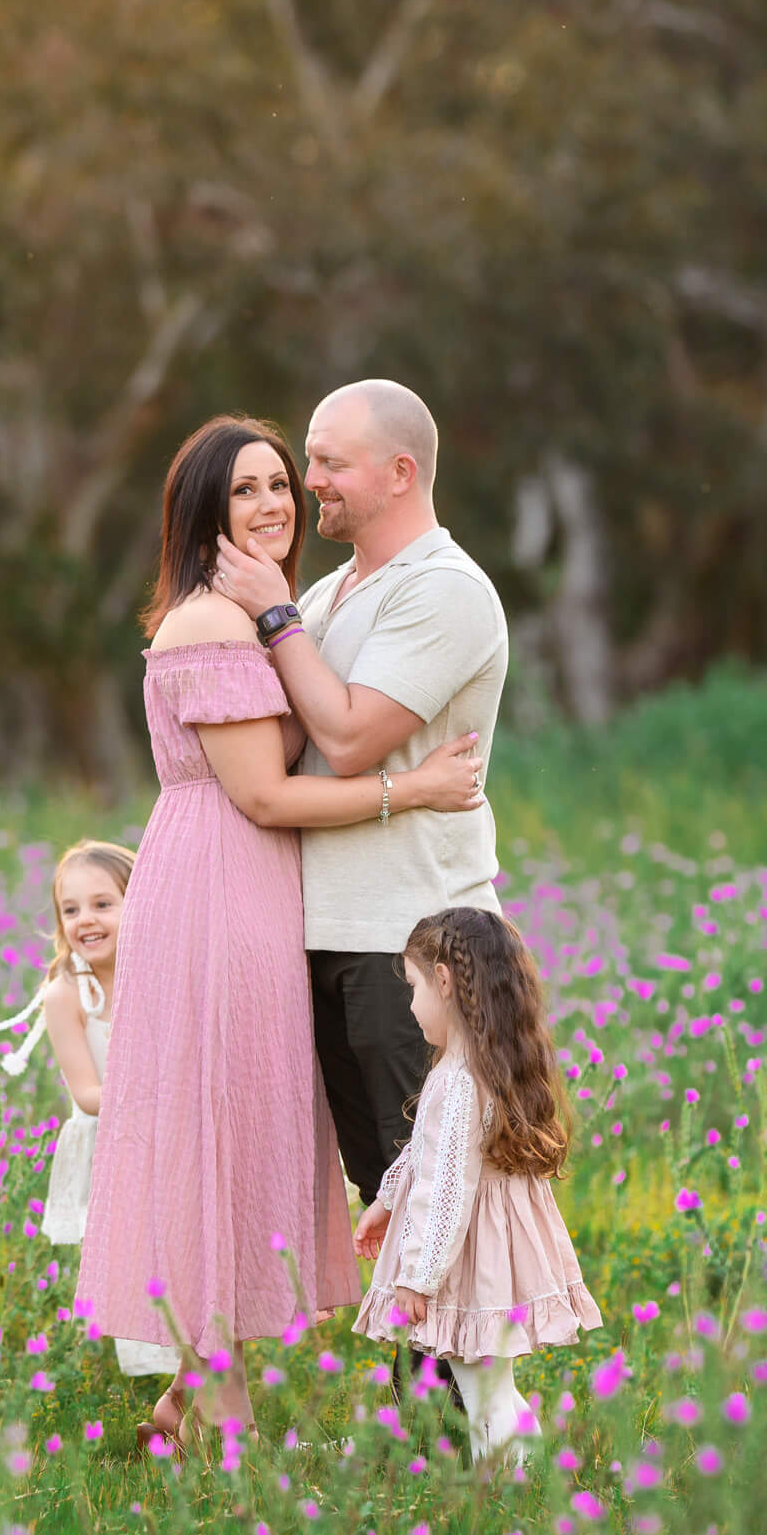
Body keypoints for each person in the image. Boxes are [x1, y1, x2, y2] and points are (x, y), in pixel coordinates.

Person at [76, 414, 489, 1448]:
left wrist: (285, 625)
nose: (275, 503)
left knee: (245, 1135)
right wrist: (416, 789)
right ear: (201, 515)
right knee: (219, 1143)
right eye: (246, 490)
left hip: (261, 895)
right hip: (223, 886)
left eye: (281, 484)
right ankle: (225, 1440)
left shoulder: (274, 611)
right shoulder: (217, 623)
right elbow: (263, 795)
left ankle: (185, 1407)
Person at [213, 379, 510, 1387]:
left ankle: (477, 1441)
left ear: (399, 472)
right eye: (310, 456)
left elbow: (343, 741)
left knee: (436, 1191)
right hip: (335, 935)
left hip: (414, 941)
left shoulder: (445, 590)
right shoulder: (335, 596)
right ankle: (427, 1436)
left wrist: (271, 614)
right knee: (385, 1190)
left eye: (330, 460)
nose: (310, 481)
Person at [350, 907, 601, 1465]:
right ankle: (530, 1477)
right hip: (486, 1255)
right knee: (492, 1386)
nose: (410, 1007)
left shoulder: (458, 1081)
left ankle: (513, 1488)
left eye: (413, 987)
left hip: (463, 1264)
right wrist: (387, 1199)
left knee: (485, 1391)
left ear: (443, 981)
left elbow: (445, 1192)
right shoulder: (482, 1066)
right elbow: (425, 1156)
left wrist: (419, 1277)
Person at [0, 839, 176, 1379]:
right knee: (140, 1264)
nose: (85, 919)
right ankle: (170, 1383)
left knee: (184, 1253)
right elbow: (87, 1094)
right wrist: (163, 1101)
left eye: (102, 904)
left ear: (141, 904)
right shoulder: (69, 992)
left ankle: (199, 1379)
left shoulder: (162, 978)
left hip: (174, 1140)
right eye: (70, 909)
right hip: (116, 1145)